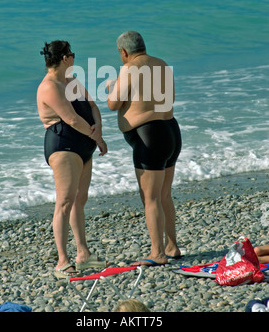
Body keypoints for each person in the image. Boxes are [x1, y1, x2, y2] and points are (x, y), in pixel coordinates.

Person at [107, 31, 182, 267]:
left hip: (149, 137)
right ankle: (172, 246)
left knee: (150, 199)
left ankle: (157, 253)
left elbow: (113, 104)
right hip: (170, 131)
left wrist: (112, 86)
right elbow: (165, 98)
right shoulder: (162, 64)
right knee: (164, 195)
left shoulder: (129, 68)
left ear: (124, 52)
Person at [37, 40, 108, 278]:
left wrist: (98, 127)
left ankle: (83, 255)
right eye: (73, 55)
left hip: (83, 141)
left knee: (80, 199)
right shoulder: (50, 86)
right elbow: (71, 119)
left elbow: (91, 105)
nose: (74, 58)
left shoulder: (70, 81)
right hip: (64, 144)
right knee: (65, 201)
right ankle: (62, 261)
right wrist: (97, 137)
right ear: (65, 58)